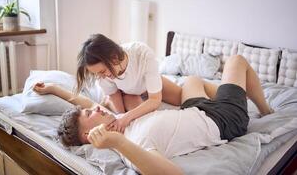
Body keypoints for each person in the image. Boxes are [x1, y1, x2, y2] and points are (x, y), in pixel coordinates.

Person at [33, 55, 273, 175]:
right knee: (236, 60)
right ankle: (265, 110)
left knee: (192, 79)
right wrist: (117, 142)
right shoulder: (131, 145)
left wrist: (54, 89)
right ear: (90, 134)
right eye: (90, 113)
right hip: (224, 119)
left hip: (196, 109)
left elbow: (81, 101)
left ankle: (229, 92)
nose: (96, 107)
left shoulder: (114, 121)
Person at [76, 34, 181, 133]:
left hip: (145, 83)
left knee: (182, 99)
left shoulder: (142, 54)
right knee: (147, 120)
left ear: (114, 57)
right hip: (126, 94)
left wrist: (126, 117)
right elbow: (114, 95)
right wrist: (122, 117)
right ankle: (108, 102)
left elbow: (155, 100)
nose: (101, 77)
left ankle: (108, 102)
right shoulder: (102, 76)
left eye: (102, 72)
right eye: (97, 74)